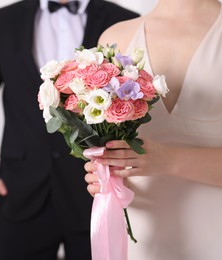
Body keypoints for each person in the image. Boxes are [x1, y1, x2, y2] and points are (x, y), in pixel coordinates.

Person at [0, 0, 138, 259]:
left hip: (96, 195)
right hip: (18, 194)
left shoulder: (124, 21)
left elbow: (135, 105)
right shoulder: (2, 21)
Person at [84, 0, 222, 259]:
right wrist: (104, 173)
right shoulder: (115, 37)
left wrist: (169, 159)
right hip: (141, 233)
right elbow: (110, 145)